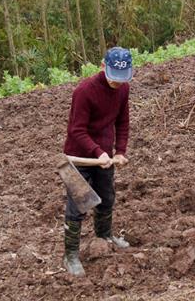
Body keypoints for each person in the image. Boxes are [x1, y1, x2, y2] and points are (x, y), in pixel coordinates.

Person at [62, 46, 133, 276]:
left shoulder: (123, 90)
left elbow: (122, 122)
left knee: (106, 197)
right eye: (114, 78)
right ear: (103, 66)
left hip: (104, 156)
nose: (117, 83)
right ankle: (70, 255)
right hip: (79, 156)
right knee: (78, 205)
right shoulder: (84, 91)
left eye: (121, 79)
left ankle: (104, 236)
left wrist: (119, 151)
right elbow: (76, 130)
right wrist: (96, 152)